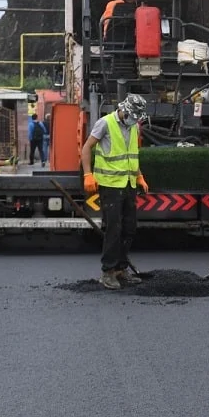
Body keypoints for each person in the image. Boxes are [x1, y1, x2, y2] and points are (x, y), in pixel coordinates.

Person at [82, 94, 149, 290]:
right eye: (133, 116)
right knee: (114, 228)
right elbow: (87, 148)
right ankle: (108, 272)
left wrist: (139, 176)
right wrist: (88, 174)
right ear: (124, 110)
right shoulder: (105, 123)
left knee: (129, 228)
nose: (135, 120)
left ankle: (121, 269)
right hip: (110, 185)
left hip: (128, 184)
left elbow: (131, 156)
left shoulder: (134, 126)